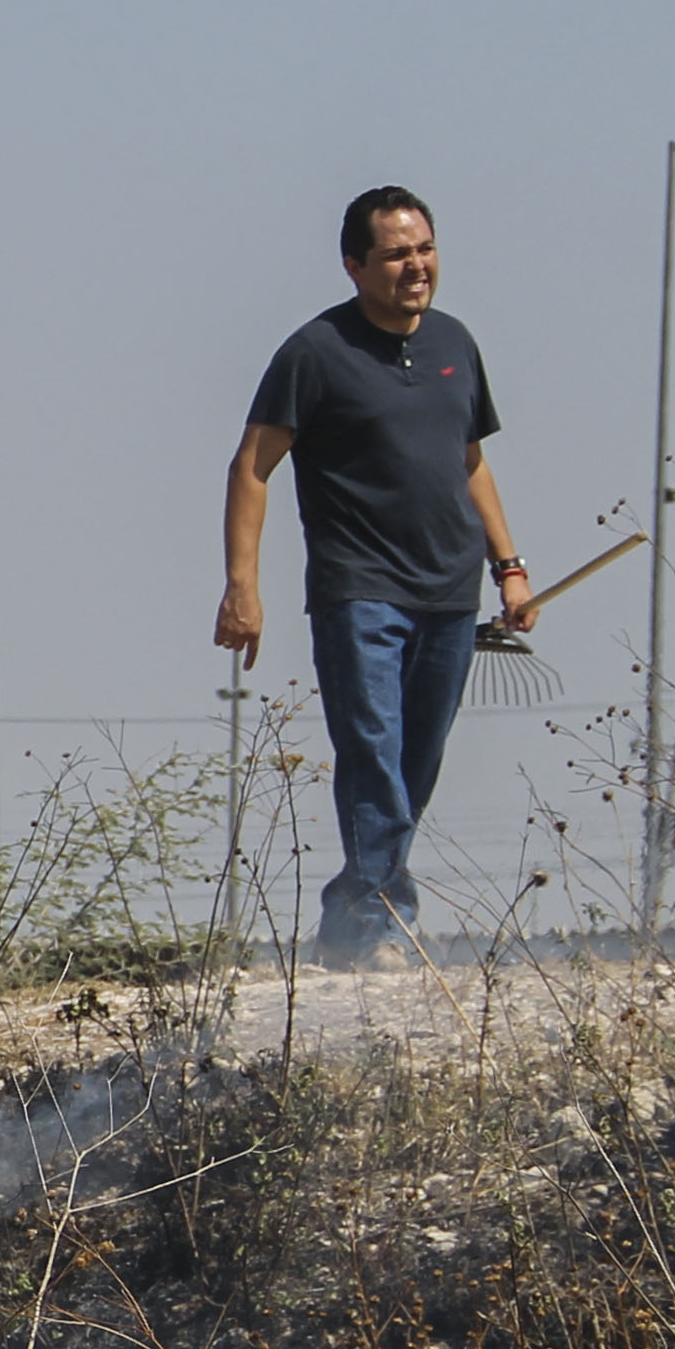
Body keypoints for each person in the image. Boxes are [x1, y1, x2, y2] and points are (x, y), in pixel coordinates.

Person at [219, 185, 540, 968]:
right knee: (371, 750)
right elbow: (252, 467)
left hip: (449, 593)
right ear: (353, 265)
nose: (415, 266)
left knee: (410, 766)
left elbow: (469, 462)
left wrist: (509, 567)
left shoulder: (455, 345)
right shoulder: (313, 352)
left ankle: (348, 920)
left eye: (423, 248)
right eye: (396, 254)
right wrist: (242, 586)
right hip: (358, 590)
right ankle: (375, 924)